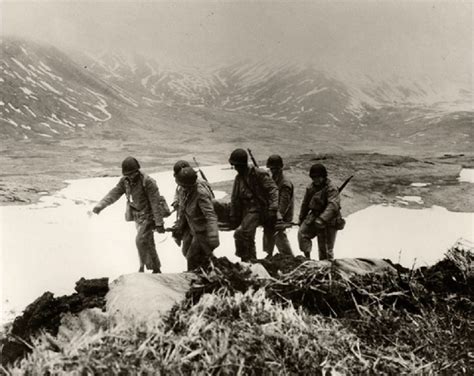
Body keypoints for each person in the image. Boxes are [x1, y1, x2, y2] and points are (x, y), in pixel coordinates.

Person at [92, 156, 166, 273]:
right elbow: (114, 193)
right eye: (128, 175)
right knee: (147, 241)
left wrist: (159, 223)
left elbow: (155, 203)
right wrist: (100, 205)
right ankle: (154, 268)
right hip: (137, 216)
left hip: (149, 215)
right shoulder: (125, 181)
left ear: (137, 171)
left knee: (140, 240)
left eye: (132, 174)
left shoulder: (148, 182)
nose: (130, 177)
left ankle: (145, 268)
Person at [228, 148, 279, 262]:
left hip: (258, 209)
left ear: (242, 165)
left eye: (236, 165)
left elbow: (273, 190)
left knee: (241, 233)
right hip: (246, 210)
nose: (235, 168)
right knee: (248, 237)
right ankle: (250, 259)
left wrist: (273, 208)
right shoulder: (238, 178)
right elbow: (234, 198)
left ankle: (246, 259)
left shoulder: (258, 174)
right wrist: (233, 215)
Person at [174, 167, 219, 271]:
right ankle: (204, 271)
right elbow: (183, 209)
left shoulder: (200, 193)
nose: (182, 188)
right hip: (195, 230)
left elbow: (210, 215)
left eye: (183, 186)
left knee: (192, 257)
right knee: (186, 251)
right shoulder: (185, 191)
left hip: (204, 232)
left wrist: (213, 236)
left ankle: (195, 278)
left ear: (189, 185)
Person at [297, 163, 342, 260]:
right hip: (315, 215)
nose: (316, 180)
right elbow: (305, 204)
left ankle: (327, 267)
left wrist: (322, 219)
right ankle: (307, 259)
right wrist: (301, 218)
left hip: (330, 220)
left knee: (325, 249)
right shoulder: (310, 188)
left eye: (318, 177)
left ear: (323, 177)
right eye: (313, 177)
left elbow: (333, 206)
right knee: (302, 233)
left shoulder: (331, 188)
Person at [263, 155, 294, 257]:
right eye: (271, 169)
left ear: (281, 168)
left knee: (278, 233)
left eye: (275, 169)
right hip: (274, 212)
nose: (273, 171)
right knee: (268, 229)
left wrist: (278, 216)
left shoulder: (285, 184)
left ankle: (288, 256)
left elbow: (283, 204)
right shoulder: (274, 179)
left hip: (283, 215)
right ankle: (269, 254)